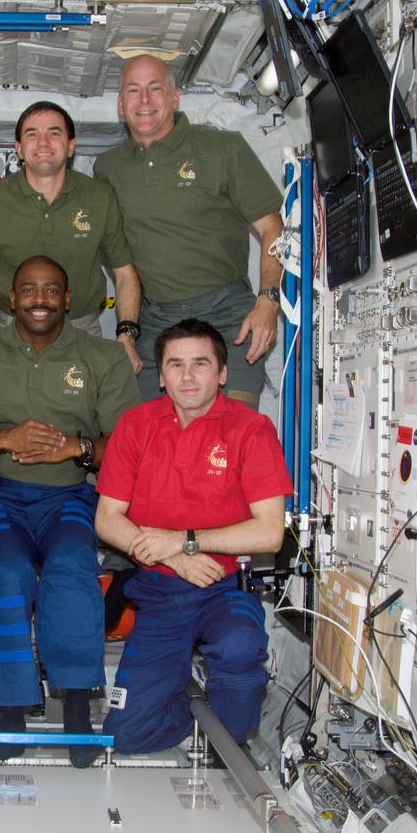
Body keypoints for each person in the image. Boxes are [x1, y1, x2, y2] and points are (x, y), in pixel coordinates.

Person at [0, 255, 140, 767]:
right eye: (29, 290)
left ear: (68, 300)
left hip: (69, 496)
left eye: (51, 290)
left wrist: (75, 448)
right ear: (12, 300)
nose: (40, 298)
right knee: (7, 574)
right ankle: (15, 705)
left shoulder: (103, 357)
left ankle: (77, 701)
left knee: (71, 569)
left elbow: (124, 447)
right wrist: (0, 438)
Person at [94, 319, 290, 753]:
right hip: (161, 593)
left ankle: (227, 748)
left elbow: (271, 532)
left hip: (223, 587)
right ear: (160, 377)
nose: (187, 376)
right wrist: (174, 556)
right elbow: (107, 519)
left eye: (200, 364)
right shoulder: (136, 425)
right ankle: (194, 703)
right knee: (125, 736)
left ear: (222, 373)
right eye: (175, 365)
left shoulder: (251, 429)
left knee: (240, 647)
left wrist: (186, 541)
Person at [94, 56, 286, 405]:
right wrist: (127, 333)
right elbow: (124, 267)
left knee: (232, 432)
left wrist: (268, 302)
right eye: (134, 91)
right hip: (156, 321)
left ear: (175, 97)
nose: (146, 100)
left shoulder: (224, 149)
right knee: (152, 438)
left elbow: (273, 227)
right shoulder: (108, 168)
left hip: (229, 316)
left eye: (156, 88)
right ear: (121, 105)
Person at [0, 101, 143, 373]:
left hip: (81, 329)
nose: (43, 142)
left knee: (86, 414)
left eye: (54, 133)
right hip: (11, 331)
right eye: (31, 134)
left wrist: (127, 335)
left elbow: (125, 273)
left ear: (71, 145)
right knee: (9, 414)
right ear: (18, 148)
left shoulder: (99, 197)